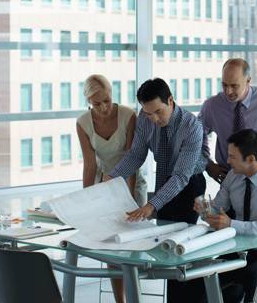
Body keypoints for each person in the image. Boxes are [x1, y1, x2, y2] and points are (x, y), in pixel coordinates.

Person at [107, 78, 206, 302]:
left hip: (190, 184)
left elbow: (181, 176)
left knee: (182, 245)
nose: (154, 119)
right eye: (148, 113)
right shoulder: (145, 118)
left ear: (170, 100)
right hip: (163, 182)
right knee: (166, 245)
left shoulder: (192, 126)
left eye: (158, 112)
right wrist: (113, 176)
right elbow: (136, 155)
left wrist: (151, 205)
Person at [76, 74, 145, 303]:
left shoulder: (128, 116)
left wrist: (128, 200)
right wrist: (88, 199)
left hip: (131, 181)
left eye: (107, 100)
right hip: (104, 183)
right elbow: (89, 165)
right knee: (112, 245)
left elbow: (131, 160)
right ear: (88, 101)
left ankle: (135, 294)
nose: (104, 107)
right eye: (97, 103)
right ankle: (120, 300)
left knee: (132, 240)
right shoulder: (83, 123)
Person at [198, 129, 257, 303]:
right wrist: (206, 211)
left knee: (253, 277)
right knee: (204, 279)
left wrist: (231, 224)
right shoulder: (233, 176)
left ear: (251, 159)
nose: (227, 160)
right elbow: (218, 208)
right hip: (236, 249)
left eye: (232, 156)